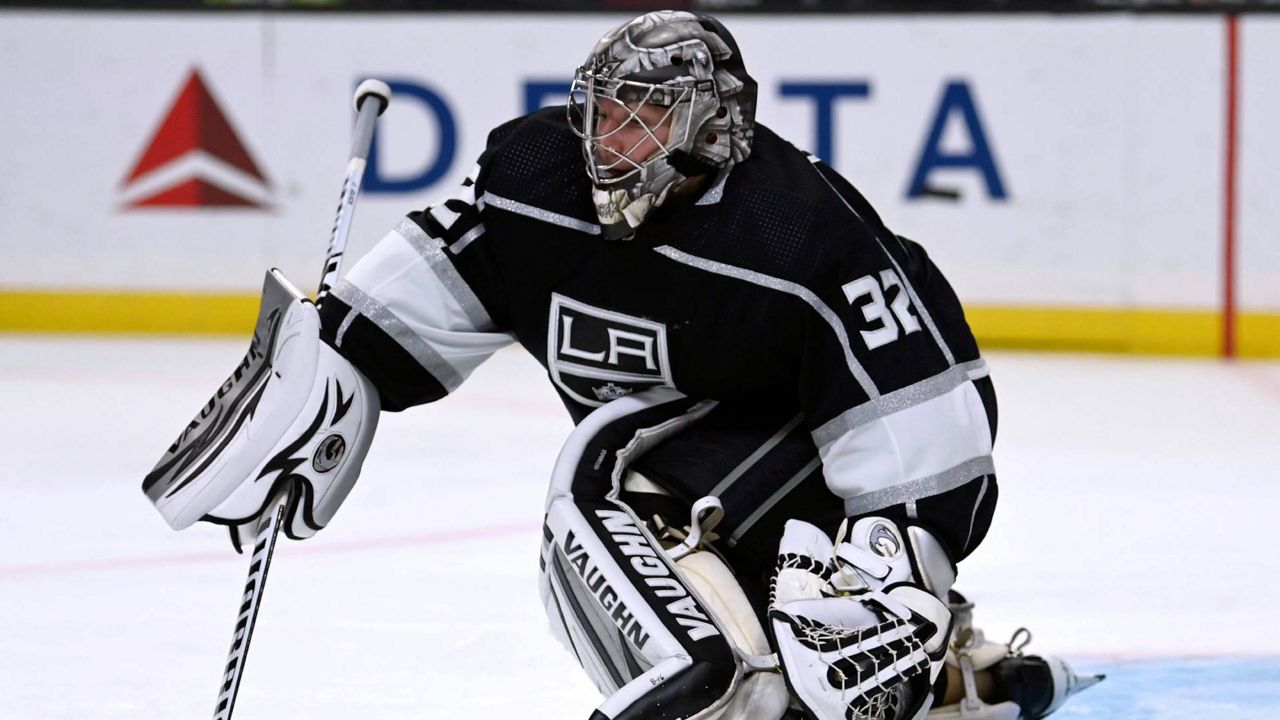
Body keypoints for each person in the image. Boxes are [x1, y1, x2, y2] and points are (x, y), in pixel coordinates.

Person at [144, 11, 1100, 720]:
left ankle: (902, 668)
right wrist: (324, 386)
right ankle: (961, 689)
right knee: (650, 525)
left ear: (710, 127)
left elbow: (922, 401)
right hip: (661, 476)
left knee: (740, 645)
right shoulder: (531, 182)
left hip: (799, 483)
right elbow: (397, 322)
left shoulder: (796, 231)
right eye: (603, 113)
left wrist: (901, 561)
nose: (610, 142)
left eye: (641, 119)